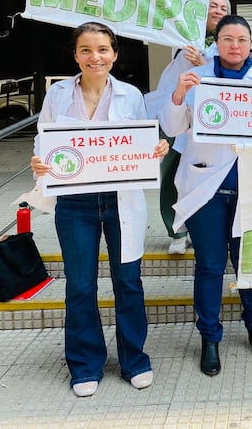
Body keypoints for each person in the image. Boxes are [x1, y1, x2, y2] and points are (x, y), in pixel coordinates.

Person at [30, 22, 170, 397]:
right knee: (80, 285)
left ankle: (134, 360)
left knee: (128, 282)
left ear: (115, 54)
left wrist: (155, 149)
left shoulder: (130, 95)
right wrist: (40, 163)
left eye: (103, 49)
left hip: (120, 200)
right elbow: (43, 142)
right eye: (87, 50)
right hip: (75, 204)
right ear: (75, 54)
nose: (96, 57)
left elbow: (142, 142)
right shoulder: (58, 94)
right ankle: (85, 363)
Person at [159, 15, 252, 376]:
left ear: (250, 43)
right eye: (228, 39)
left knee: (248, 266)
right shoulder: (196, 78)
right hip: (205, 187)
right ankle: (210, 337)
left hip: (248, 189)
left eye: (242, 39)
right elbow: (172, 127)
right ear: (217, 42)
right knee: (209, 265)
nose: (235, 46)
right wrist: (178, 94)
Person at [146, 0, 231, 254]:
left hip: (210, 121)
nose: (218, 11)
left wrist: (204, 62)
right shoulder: (181, 37)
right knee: (171, 172)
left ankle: (201, 229)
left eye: (223, 8)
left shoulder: (227, 45)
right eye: (213, 6)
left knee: (206, 176)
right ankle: (177, 232)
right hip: (176, 115)